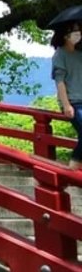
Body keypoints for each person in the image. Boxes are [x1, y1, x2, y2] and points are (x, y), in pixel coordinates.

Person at [52, 21, 82, 169]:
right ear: (65, 35)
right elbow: (60, 81)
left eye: (79, 30)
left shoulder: (79, 54)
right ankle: (71, 172)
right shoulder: (60, 54)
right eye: (74, 31)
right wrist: (66, 105)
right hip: (73, 103)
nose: (78, 34)